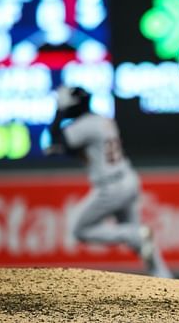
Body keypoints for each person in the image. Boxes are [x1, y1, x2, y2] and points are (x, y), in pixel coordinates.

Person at [44, 86, 172, 278]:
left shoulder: (83, 126)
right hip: (127, 178)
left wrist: (60, 111)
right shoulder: (102, 119)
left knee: (79, 229)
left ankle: (132, 234)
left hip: (110, 188)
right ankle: (164, 277)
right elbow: (70, 147)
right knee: (142, 244)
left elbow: (54, 139)